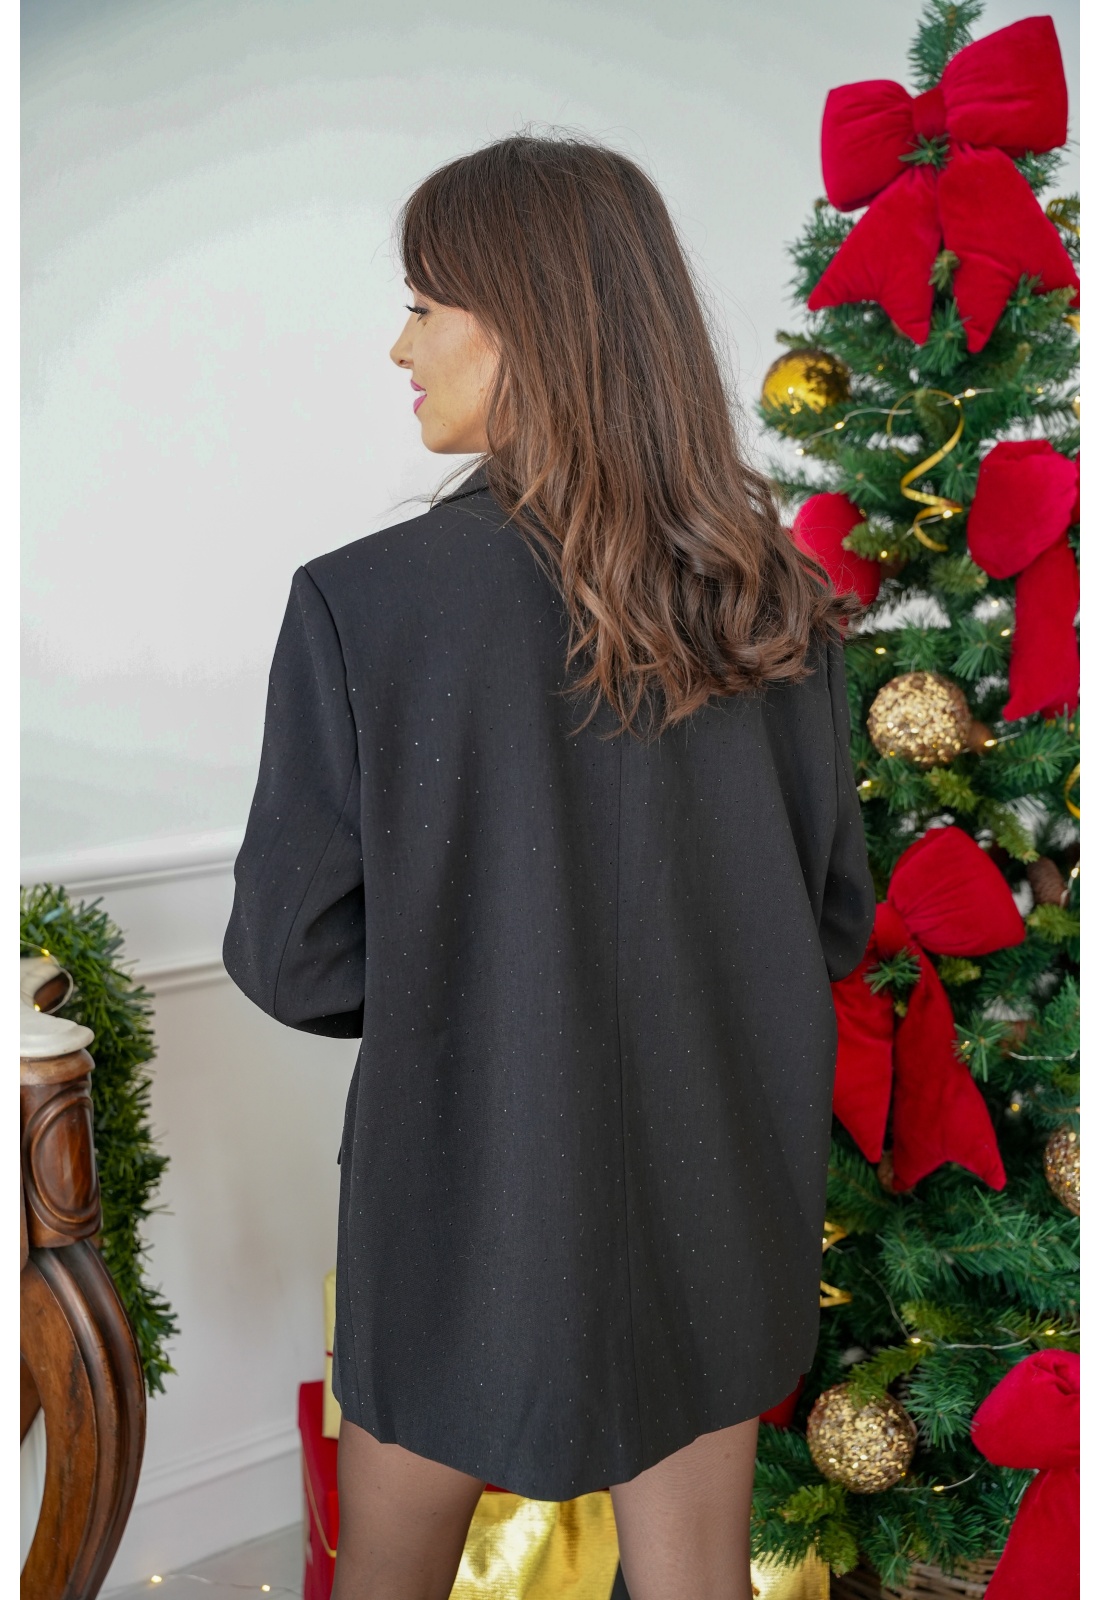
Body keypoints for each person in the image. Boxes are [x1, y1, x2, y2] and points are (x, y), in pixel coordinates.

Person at [224, 132, 876, 1600]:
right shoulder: (779, 604)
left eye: (423, 305)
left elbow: (291, 955)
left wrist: (485, 992)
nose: (400, 346)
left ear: (524, 321)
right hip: (717, 1185)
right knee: (698, 1585)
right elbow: (832, 917)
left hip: (468, 1186)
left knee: (388, 1581)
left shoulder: (363, 606)